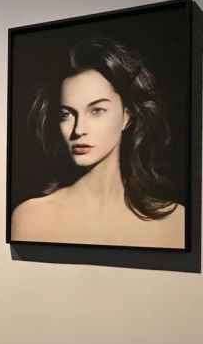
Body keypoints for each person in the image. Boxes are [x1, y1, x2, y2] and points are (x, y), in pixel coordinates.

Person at [11, 37, 184, 248]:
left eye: (97, 110)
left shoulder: (175, 221)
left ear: (126, 116)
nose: (78, 129)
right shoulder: (31, 218)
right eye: (66, 114)